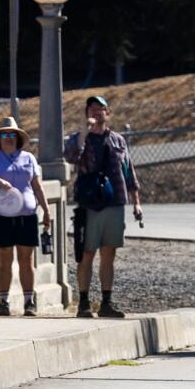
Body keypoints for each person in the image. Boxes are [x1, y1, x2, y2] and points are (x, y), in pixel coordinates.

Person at [63, 93, 143, 319]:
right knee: (87, 253)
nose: (97, 113)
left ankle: (106, 302)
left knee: (109, 254)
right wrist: (84, 132)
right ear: (86, 113)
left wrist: (136, 201)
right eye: (92, 109)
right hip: (90, 205)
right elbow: (70, 156)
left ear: (108, 113)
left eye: (101, 109)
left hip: (115, 201)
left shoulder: (118, 140)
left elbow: (128, 171)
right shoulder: (80, 137)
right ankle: (84, 303)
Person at [0, 115, 52, 316]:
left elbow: (36, 185)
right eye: (4, 134)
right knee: (4, 259)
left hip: (26, 214)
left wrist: (46, 210)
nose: (8, 138)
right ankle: (4, 302)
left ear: (17, 138)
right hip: (2, 215)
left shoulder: (28, 158)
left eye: (12, 134)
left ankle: (29, 301)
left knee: (26, 259)